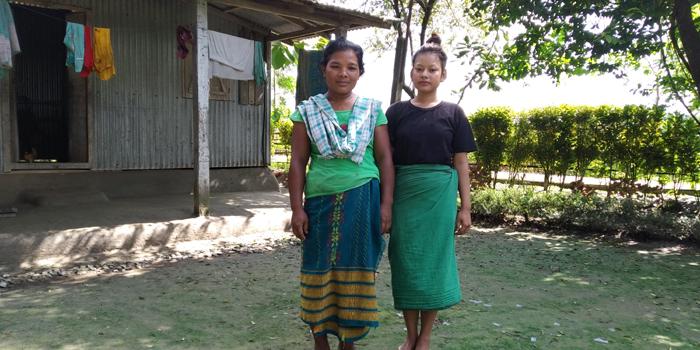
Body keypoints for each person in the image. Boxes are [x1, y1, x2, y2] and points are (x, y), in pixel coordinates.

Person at [288, 37, 394, 350]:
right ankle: (319, 340)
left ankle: (348, 342)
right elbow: (297, 161)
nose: (343, 73)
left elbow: (386, 158)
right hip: (319, 200)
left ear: (360, 73)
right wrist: (297, 208)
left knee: (357, 266)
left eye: (351, 67)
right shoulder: (307, 112)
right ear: (324, 70)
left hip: (363, 197)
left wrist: (386, 204)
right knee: (317, 265)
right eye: (336, 66)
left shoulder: (373, 110)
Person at [386, 33, 477, 350]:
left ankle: (425, 338)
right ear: (411, 72)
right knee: (406, 262)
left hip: (439, 199)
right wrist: (385, 204)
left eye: (432, 70)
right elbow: (385, 162)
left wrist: (465, 207)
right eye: (419, 69)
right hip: (404, 197)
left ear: (443, 74)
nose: (424, 75)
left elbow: (461, 164)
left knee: (435, 263)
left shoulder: (454, 114)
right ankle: (410, 335)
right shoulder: (395, 113)